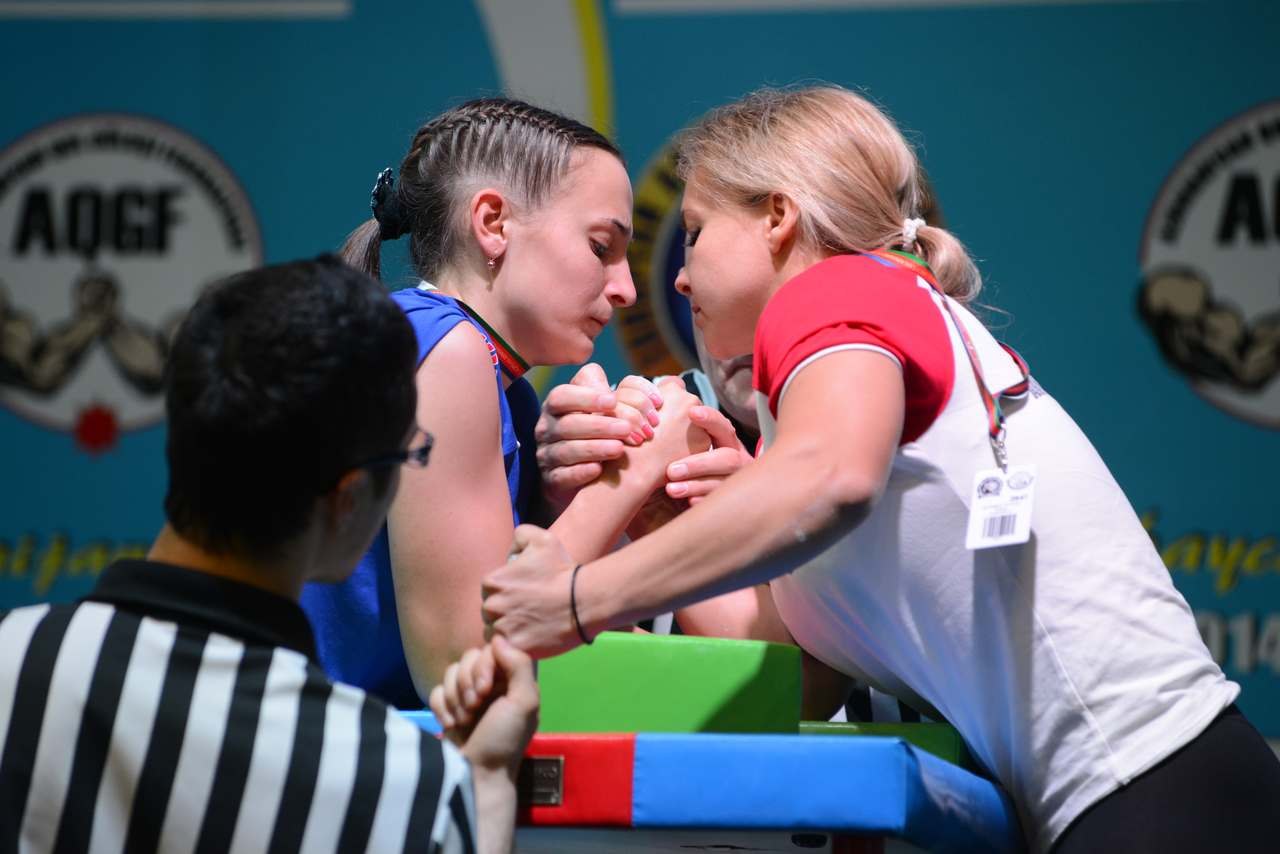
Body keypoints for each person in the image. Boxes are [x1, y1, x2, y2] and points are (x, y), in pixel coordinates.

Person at [478, 86, 1280, 853]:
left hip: (1157, 785)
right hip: (1127, 799)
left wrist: (579, 599)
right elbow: (798, 675)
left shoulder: (834, 291)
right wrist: (668, 519)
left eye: (694, 232)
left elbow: (830, 479)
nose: (679, 277)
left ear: (778, 221)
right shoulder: (829, 391)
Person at [0, 256, 538, 854]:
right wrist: (486, 781)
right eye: (408, 458)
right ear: (349, 501)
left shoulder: (14, 662)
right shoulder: (389, 773)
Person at [301, 97, 711, 708]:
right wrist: (637, 469)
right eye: (602, 247)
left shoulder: (502, 386)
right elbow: (467, 669)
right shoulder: (449, 351)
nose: (626, 289)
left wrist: (563, 496)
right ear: (492, 223)